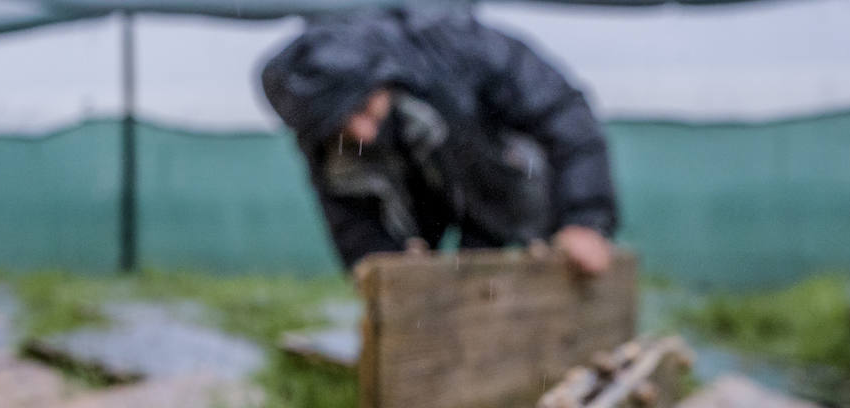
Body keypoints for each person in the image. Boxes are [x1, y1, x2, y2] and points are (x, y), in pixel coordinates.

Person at [260, 5, 618, 275]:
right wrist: (378, 261)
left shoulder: (461, 48)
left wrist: (585, 220)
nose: (362, 133)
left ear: (380, 79)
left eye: (366, 110)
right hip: (428, 200)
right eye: (344, 125)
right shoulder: (323, 124)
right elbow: (347, 209)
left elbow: (563, 115)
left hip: (505, 181)